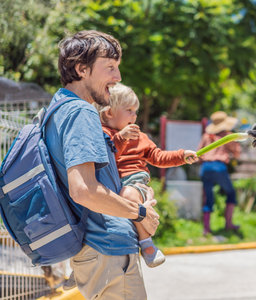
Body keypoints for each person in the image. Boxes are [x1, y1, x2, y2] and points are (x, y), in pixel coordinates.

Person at [46, 30, 159, 299]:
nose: (117, 77)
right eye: (110, 67)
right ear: (81, 69)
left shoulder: (56, 107)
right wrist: (140, 213)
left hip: (95, 250)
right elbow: (83, 189)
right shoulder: (81, 111)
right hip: (108, 247)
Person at [94, 83, 198, 267]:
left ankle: (146, 243)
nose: (134, 116)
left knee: (127, 195)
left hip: (134, 183)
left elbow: (158, 157)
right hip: (111, 185)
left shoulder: (140, 136)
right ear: (109, 113)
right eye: (129, 110)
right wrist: (120, 138)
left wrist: (181, 156)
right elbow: (104, 156)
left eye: (136, 111)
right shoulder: (101, 134)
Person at [198, 111, 241, 235]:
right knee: (231, 193)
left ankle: (206, 229)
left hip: (205, 167)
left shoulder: (206, 136)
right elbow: (237, 153)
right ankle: (228, 224)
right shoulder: (228, 136)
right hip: (219, 167)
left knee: (207, 197)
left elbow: (199, 153)